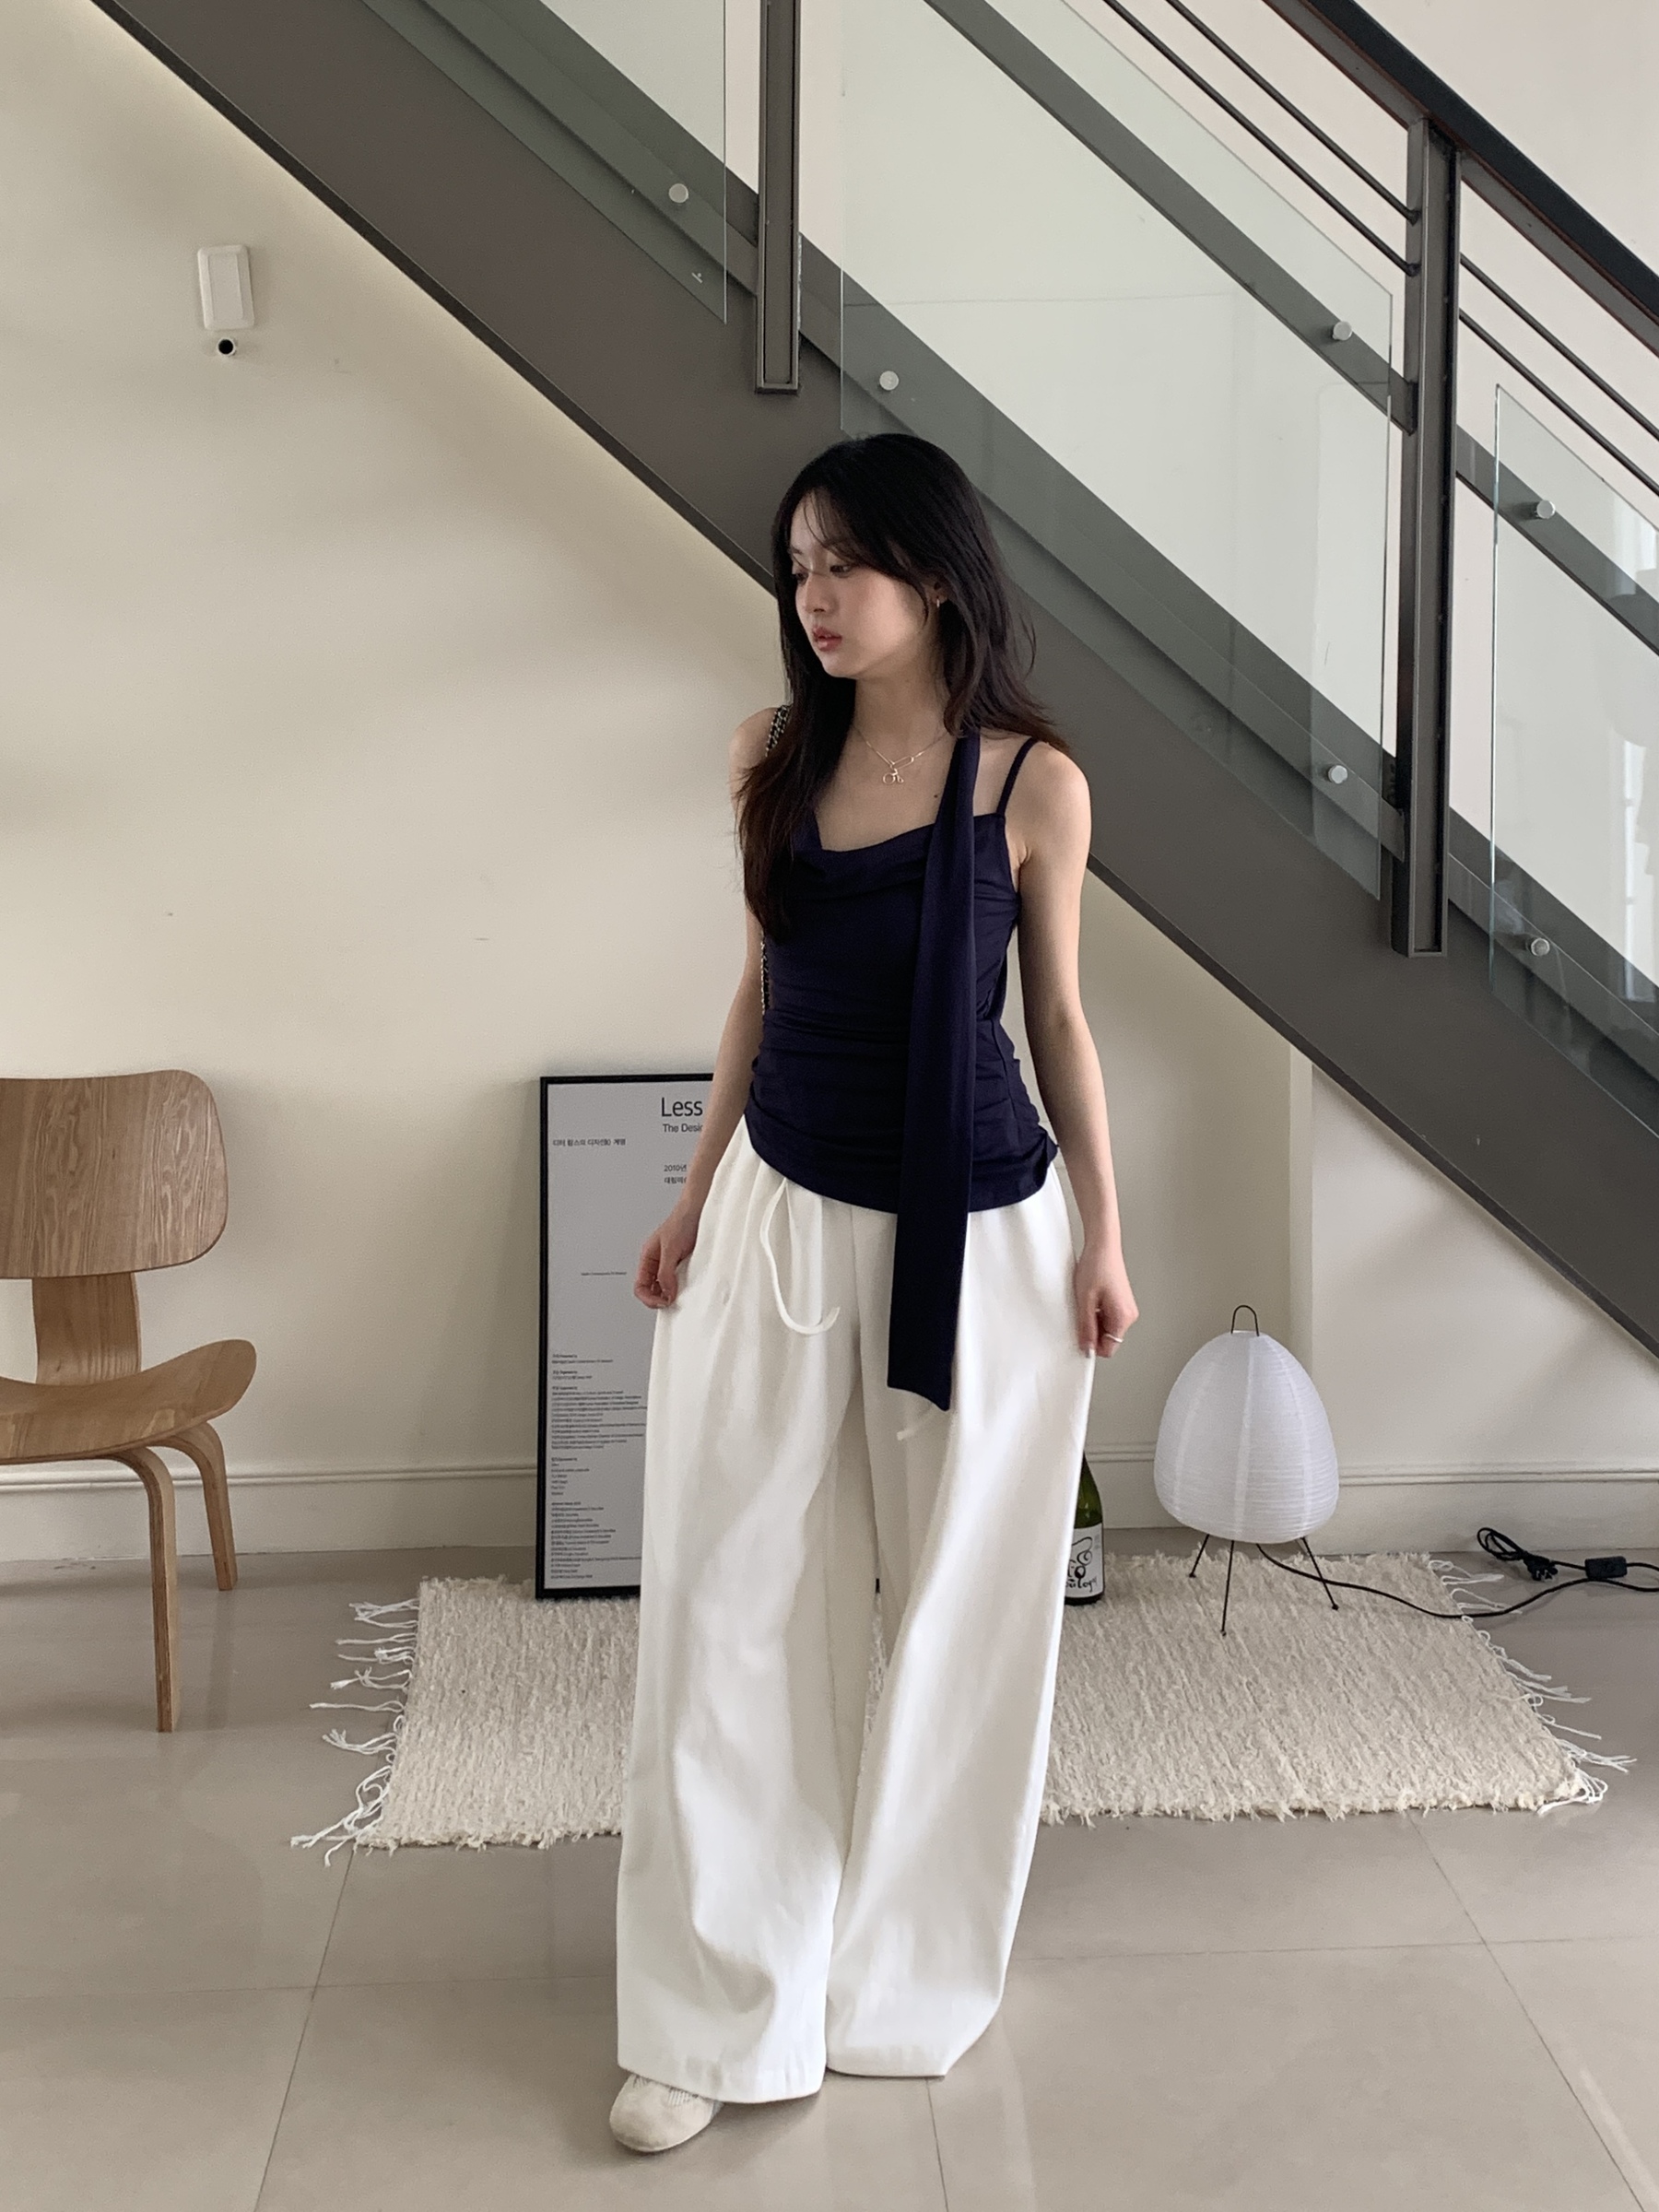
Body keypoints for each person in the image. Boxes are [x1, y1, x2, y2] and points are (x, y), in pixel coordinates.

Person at [610, 432, 1137, 2155]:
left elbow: (1059, 1025)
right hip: (780, 1213)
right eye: (799, 566)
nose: (816, 596)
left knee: (964, 1617)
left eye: (847, 561)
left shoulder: (1033, 785)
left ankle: (899, 1979)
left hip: (981, 1237)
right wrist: (694, 1194)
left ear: (937, 571)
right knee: (731, 1604)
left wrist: (1108, 1239)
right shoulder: (769, 756)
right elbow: (757, 989)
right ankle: (715, 2010)